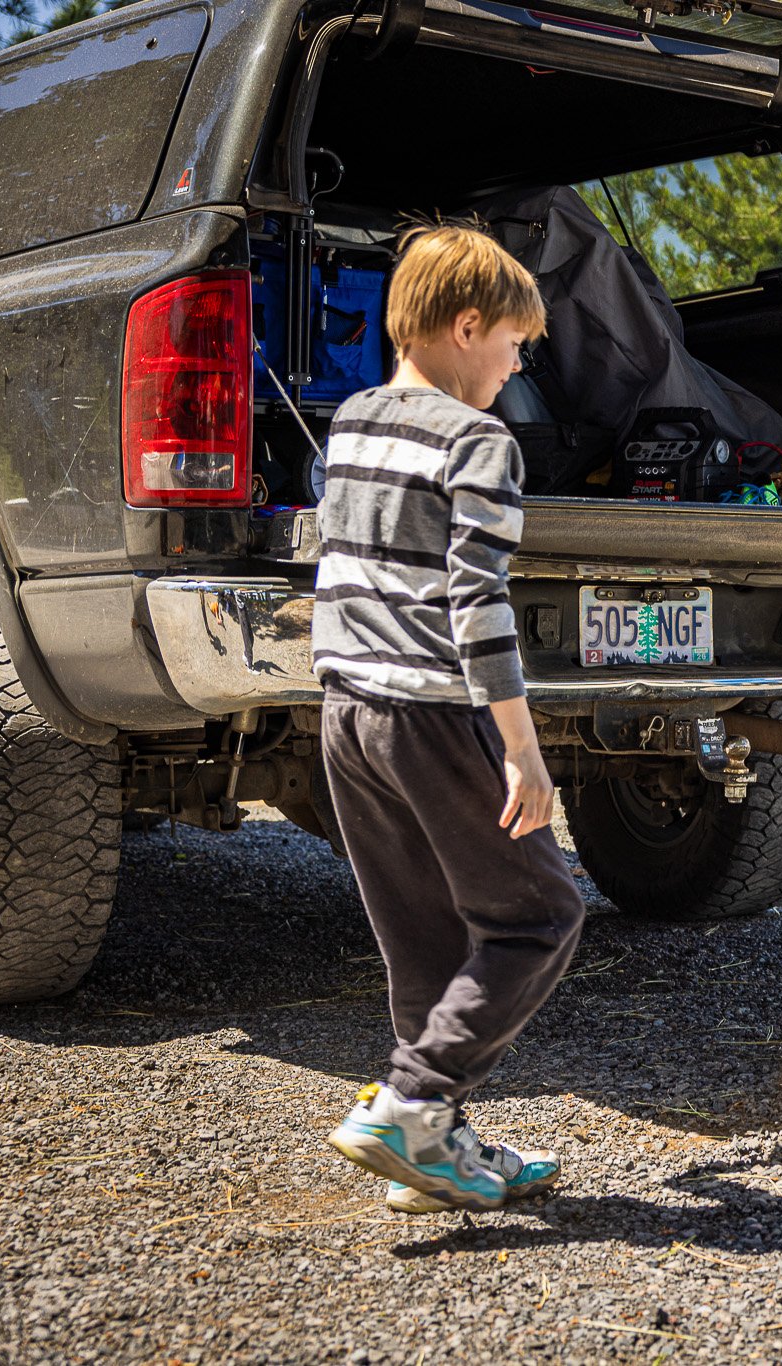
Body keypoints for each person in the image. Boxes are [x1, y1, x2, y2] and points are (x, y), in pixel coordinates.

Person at [319, 223, 585, 1211]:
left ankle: (431, 1153)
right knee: (538, 916)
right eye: (514, 344)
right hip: (433, 712)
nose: (517, 367)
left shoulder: (350, 418)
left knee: (424, 941)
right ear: (466, 325)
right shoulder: (479, 440)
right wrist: (524, 752)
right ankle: (409, 1103)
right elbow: (476, 606)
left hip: (348, 712)